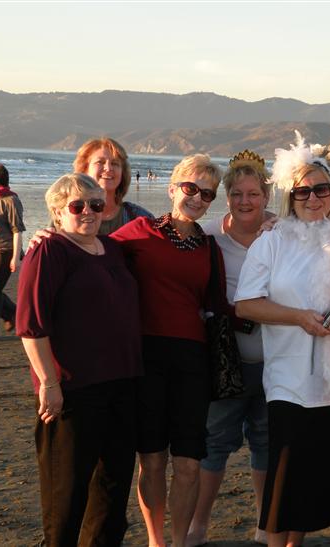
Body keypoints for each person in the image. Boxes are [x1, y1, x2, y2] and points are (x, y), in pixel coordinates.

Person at [234, 133, 330, 547]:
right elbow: (245, 305)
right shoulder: (272, 243)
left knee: (320, 483)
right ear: (290, 198)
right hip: (290, 382)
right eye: (303, 191)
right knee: (286, 483)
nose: (313, 198)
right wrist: (297, 318)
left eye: (321, 189)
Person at [16, 173, 142, 546]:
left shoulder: (112, 247)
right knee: (66, 498)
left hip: (122, 385)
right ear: (57, 212)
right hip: (73, 391)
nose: (88, 212)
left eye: (96, 204)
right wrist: (50, 383)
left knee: (111, 492)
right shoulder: (50, 250)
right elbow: (31, 327)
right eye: (77, 206)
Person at [111, 154, 223, 547]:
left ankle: (179, 542)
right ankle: (156, 541)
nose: (197, 198)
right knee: (153, 459)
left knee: (190, 462)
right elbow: (89, 250)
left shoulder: (209, 247)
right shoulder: (140, 231)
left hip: (193, 361)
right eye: (191, 188)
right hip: (146, 358)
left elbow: (221, 301)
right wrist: (50, 235)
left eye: (207, 193)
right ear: (172, 187)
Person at [187, 150, 272, 546]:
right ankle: (198, 525)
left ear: (266, 196)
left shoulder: (282, 238)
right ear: (227, 197)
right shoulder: (209, 241)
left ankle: (264, 521)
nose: (245, 201)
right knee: (214, 443)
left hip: (274, 362)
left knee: (265, 441)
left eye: (253, 193)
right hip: (226, 361)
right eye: (237, 193)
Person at [73, 138, 153, 234]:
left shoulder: (140, 218)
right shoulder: (69, 218)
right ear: (84, 169)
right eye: (100, 162)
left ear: (122, 173)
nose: (108, 168)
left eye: (115, 163)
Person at [0, 162, 24, 340]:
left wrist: (15, 258)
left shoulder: (12, 201)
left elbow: (17, 231)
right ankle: (11, 314)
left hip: (5, 250)